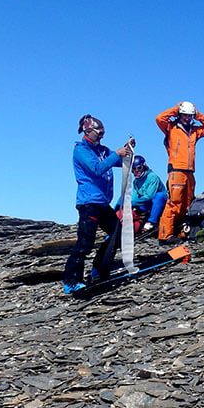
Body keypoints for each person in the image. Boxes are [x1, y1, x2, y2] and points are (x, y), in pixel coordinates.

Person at [63, 115, 135, 295]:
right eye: (99, 132)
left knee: (118, 233)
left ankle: (99, 269)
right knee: (84, 243)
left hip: (102, 203)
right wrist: (117, 154)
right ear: (88, 131)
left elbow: (119, 161)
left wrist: (128, 150)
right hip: (89, 203)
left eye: (103, 132)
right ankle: (71, 281)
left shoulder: (102, 150)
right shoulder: (81, 150)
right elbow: (97, 168)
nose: (102, 136)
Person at [155, 101, 204, 240]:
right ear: (179, 114)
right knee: (174, 202)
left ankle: (181, 232)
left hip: (190, 171)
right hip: (176, 170)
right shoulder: (171, 127)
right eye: (184, 115)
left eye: (190, 116)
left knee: (187, 204)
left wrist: (198, 114)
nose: (187, 118)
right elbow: (159, 119)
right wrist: (176, 109)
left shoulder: (194, 131)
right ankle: (165, 235)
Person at [115, 155, 167, 235]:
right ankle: (115, 217)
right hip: (146, 204)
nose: (136, 171)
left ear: (144, 166)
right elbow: (135, 197)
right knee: (123, 198)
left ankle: (151, 222)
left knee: (159, 196)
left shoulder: (152, 177)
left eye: (139, 168)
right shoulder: (136, 181)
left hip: (158, 204)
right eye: (133, 169)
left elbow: (149, 196)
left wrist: (130, 202)